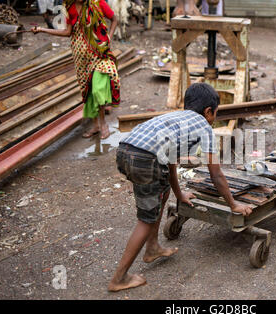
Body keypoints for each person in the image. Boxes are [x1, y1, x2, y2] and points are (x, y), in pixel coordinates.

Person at [108, 83, 253, 292]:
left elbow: (170, 163)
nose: (213, 118)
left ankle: (152, 248)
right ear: (209, 112)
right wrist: (233, 204)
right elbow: (216, 174)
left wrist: (179, 194)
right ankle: (119, 278)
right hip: (145, 159)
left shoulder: (175, 118)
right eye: (215, 114)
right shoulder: (204, 127)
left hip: (125, 150)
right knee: (146, 219)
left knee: (162, 190)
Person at [32, 0, 119, 139]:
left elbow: (114, 19)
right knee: (88, 91)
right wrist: (43, 30)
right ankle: (96, 125)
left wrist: (110, 37)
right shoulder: (70, 8)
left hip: (99, 53)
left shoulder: (98, 3)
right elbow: (68, 32)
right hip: (80, 57)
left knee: (98, 90)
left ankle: (103, 124)